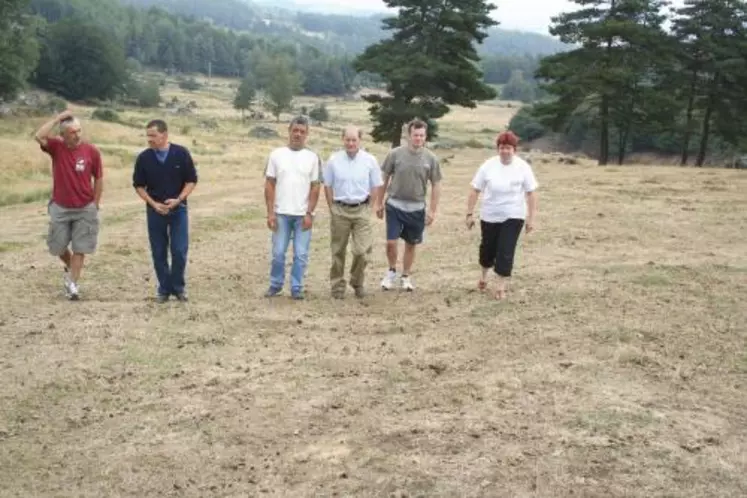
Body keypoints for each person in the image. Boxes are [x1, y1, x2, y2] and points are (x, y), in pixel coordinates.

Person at [34, 110, 103, 300]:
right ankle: (69, 266)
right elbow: (38, 136)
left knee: (81, 248)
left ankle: (72, 285)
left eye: (79, 130)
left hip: (85, 208)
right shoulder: (56, 147)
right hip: (61, 207)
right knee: (57, 246)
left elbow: (98, 178)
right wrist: (57, 118)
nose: (77, 135)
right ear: (63, 134)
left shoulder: (91, 151)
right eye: (72, 132)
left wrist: (95, 204)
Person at [465, 130, 538, 300]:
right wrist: (469, 214)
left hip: (514, 214)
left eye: (508, 148)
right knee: (487, 250)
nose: (505, 151)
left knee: (505, 249)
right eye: (502, 148)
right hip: (490, 214)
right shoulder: (488, 166)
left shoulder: (523, 167)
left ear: (515, 150)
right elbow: (475, 189)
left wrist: (531, 218)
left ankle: (500, 286)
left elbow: (531, 193)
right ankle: (483, 276)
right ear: (498, 149)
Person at [132, 119, 198, 303]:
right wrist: (153, 204)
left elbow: (191, 180)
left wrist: (178, 199)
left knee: (179, 250)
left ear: (165, 135)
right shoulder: (144, 158)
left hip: (178, 210)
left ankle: (178, 287)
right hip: (155, 212)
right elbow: (138, 185)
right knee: (158, 251)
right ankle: (164, 289)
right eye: (148, 136)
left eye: (153, 135)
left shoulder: (181, 153)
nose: (149, 139)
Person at [375, 118, 442, 291]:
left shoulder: (431, 159)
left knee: (411, 244)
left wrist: (433, 211)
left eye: (421, 135)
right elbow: (384, 178)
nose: (418, 138)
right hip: (394, 205)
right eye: (415, 135)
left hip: (417, 208)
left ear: (425, 137)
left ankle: (405, 276)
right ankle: (391, 272)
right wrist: (378, 202)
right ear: (408, 135)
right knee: (391, 242)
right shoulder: (395, 154)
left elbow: (436, 185)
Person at [264, 115, 322, 300]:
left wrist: (309, 213)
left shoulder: (312, 158)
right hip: (281, 213)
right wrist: (270, 212)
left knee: (301, 254)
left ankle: (297, 287)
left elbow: (315, 187)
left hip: (302, 215)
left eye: (302, 132)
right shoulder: (276, 155)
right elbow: (270, 184)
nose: (298, 134)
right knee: (278, 253)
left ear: (307, 135)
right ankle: (276, 284)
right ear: (289, 131)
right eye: (295, 130)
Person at [323, 125, 384, 299]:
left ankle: (357, 282)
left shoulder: (369, 160)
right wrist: (332, 207)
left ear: (360, 140)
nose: (350, 143)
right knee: (338, 251)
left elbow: (376, 185)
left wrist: (369, 207)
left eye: (354, 140)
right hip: (340, 210)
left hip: (361, 210)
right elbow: (327, 185)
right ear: (343, 140)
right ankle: (337, 286)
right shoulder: (334, 160)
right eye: (347, 140)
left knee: (362, 251)